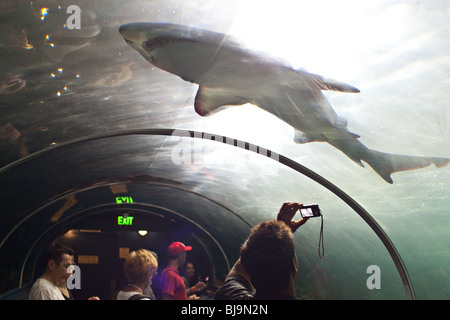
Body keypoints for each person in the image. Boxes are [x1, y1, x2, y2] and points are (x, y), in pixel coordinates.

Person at [215, 202, 309, 300]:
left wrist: (281, 231)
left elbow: (237, 273)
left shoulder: (229, 296)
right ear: (293, 265)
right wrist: (282, 229)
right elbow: (240, 269)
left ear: (250, 275)